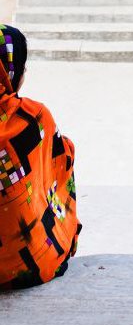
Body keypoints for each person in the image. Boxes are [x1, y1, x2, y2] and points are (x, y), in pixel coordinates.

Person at [0, 25, 80, 291]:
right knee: (62, 150)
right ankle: (48, 244)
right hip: (22, 267)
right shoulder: (30, 118)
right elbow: (60, 159)